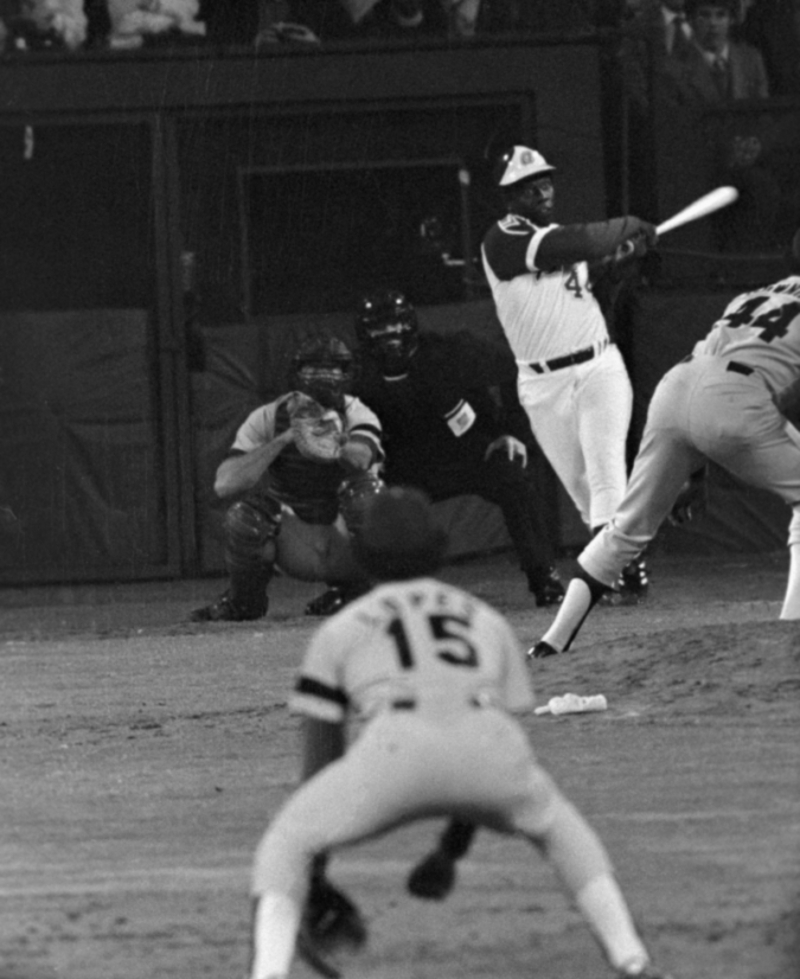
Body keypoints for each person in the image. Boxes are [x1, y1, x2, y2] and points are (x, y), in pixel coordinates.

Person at [247, 487, 676, 979]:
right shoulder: (483, 618)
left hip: (394, 751)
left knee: (283, 844)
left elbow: (323, 750)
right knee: (562, 831)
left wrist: (315, 863)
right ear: (438, 552)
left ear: (363, 557)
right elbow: (481, 745)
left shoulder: (344, 627)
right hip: (493, 749)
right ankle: (632, 960)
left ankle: (268, 973)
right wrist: (450, 851)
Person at [530, 228, 800, 659]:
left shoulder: (755, 295)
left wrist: (695, 467)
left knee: (625, 529)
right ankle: (794, 634)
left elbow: (714, 389)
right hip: (734, 395)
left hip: (677, 385)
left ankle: (551, 643)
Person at [307, 289, 564, 615]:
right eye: (380, 330)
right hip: (400, 467)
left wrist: (510, 432)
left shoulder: (452, 351)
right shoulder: (355, 375)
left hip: (468, 454)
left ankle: (545, 577)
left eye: (395, 327)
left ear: (411, 325)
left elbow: (515, 370)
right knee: (352, 491)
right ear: (364, 335)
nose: (390, 338)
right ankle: (347, 586)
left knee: (512, 471)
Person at [481, 145, 659, 603]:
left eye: (545, 181)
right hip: (542, 385)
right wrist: (628, 226)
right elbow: (578, 243)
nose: (541, 190)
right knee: (583, 492)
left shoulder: (555, 237)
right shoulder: (503, 239)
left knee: (605, 471)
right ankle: (625, 558)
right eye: (527, 186)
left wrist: (619, 258)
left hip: (598, 367)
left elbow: (584, 275)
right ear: (508, 196)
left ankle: (617, 567)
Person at [190, 333, 385, 623]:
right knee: (243, 517)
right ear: (297, 373)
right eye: (315, 369)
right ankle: (243, 602)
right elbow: (225, 483)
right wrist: (285, 437)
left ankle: (357, 592)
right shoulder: (268, 417)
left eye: (333, 369)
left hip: (344, 543)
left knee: (368, 495)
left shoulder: (357, 411)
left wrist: (331, 440)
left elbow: (360, 459)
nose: (325, 376)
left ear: (346, 373)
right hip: (296, 543)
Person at [660, 0, 769, 105]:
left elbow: (762, 114)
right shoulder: (674, 67)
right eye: (705, 15)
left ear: (731, 20)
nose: (713, 23)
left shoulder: (751, 60)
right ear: (690, 20)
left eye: (721, 15)